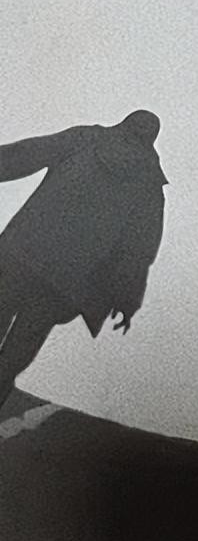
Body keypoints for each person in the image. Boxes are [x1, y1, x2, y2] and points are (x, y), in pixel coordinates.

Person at [0, 110, 167, 409]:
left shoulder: (86, 139)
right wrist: (127, 300)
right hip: (65, 282)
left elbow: (27, 154)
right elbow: (137, 253)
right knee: (20, 349)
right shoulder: (149, 185)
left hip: (20, 255)